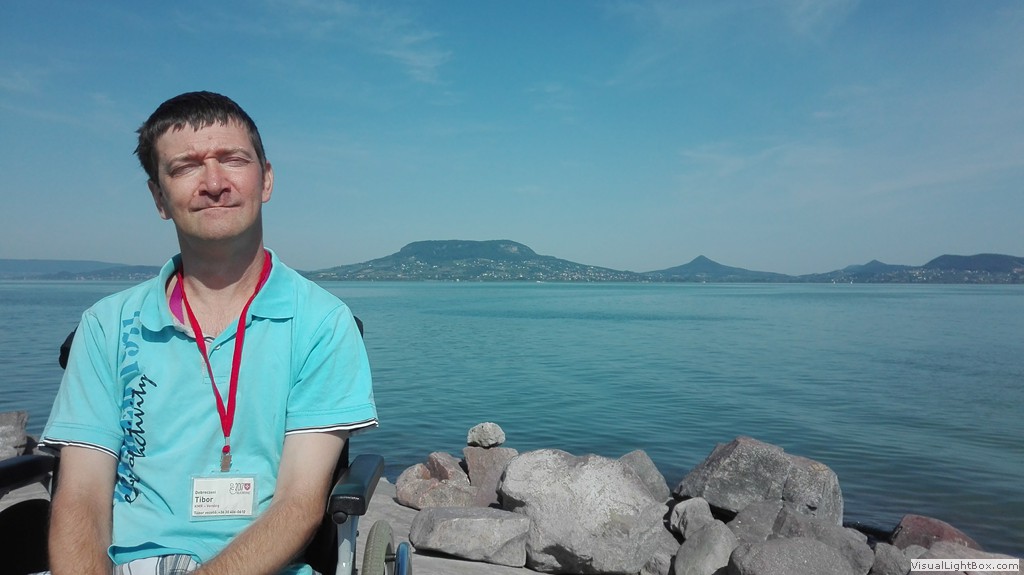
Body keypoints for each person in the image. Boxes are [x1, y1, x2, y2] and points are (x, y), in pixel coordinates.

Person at [39, 91, 377, 575]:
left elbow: (299, 504)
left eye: (233, 160)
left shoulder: (322, 323)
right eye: (186, 167)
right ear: (159, 198)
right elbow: (81, 497)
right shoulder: (105, 325)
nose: (214, 183)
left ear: (266, 179)